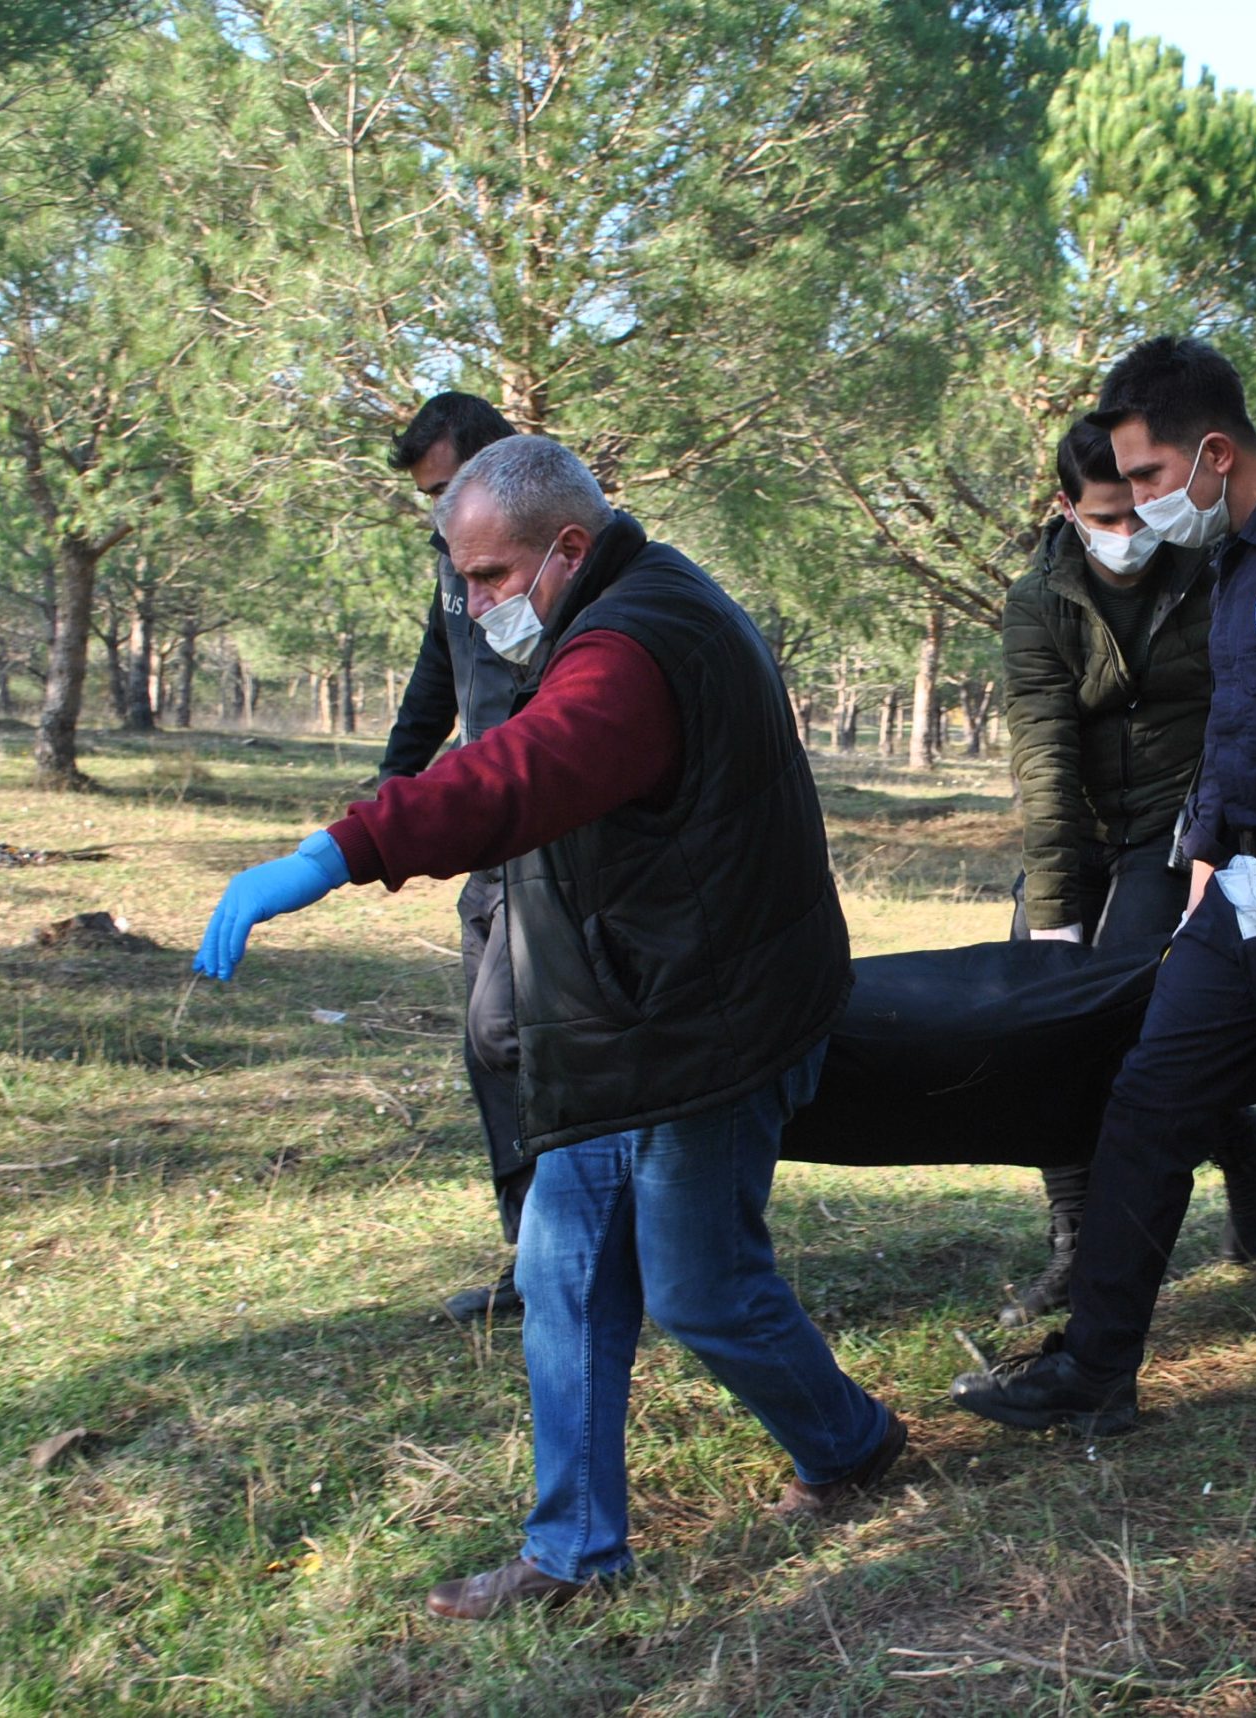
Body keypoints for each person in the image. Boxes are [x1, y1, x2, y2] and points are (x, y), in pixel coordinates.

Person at [194, 436, 905, 1618]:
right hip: (625, 1012)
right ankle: (573, 1547)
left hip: (709, 1025)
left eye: (488, 577)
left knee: (700, 1287)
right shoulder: (616, 601)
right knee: (563, 1269)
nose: (472, 606)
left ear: (567, 548)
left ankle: (851, 1443)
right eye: (458, 578)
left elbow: (523, 772)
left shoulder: (637, 641)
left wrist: (336, 852)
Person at [950, 335, 1256, 1433]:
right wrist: (1206, 874)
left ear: (1212, 452)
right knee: (1146, 1103)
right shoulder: (1232, 563)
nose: (1134, 503)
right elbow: (1235, 741)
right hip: (1244, 891)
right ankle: (1095, 1366)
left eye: (1143, 477)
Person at [997, 416, 1256, 1325]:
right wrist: (1052, 915)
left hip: (1175, 825)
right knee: (1039, 1027)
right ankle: (1077, 1240)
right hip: (1075, 827)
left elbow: (1238, 714)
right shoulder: (1036, 601)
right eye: (1105, 518)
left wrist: (1213, 843)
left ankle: (1213, 1166)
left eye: (1139, 511)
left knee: (1137, 1028)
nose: (1129, 534)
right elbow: (1042, 753)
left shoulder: (1209, 566)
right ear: (1066, 511)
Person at [373, 391, 527, 1324]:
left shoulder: (554, 561)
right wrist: (397, 779)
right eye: (428, 499)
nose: (437, 513)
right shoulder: (455, 562)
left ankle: (594, 1257)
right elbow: (441, 669)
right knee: (489, 1050)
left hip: (553, 834)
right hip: (487, 839)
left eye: (448, 489)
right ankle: (534, 1255)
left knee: (510, 1033)